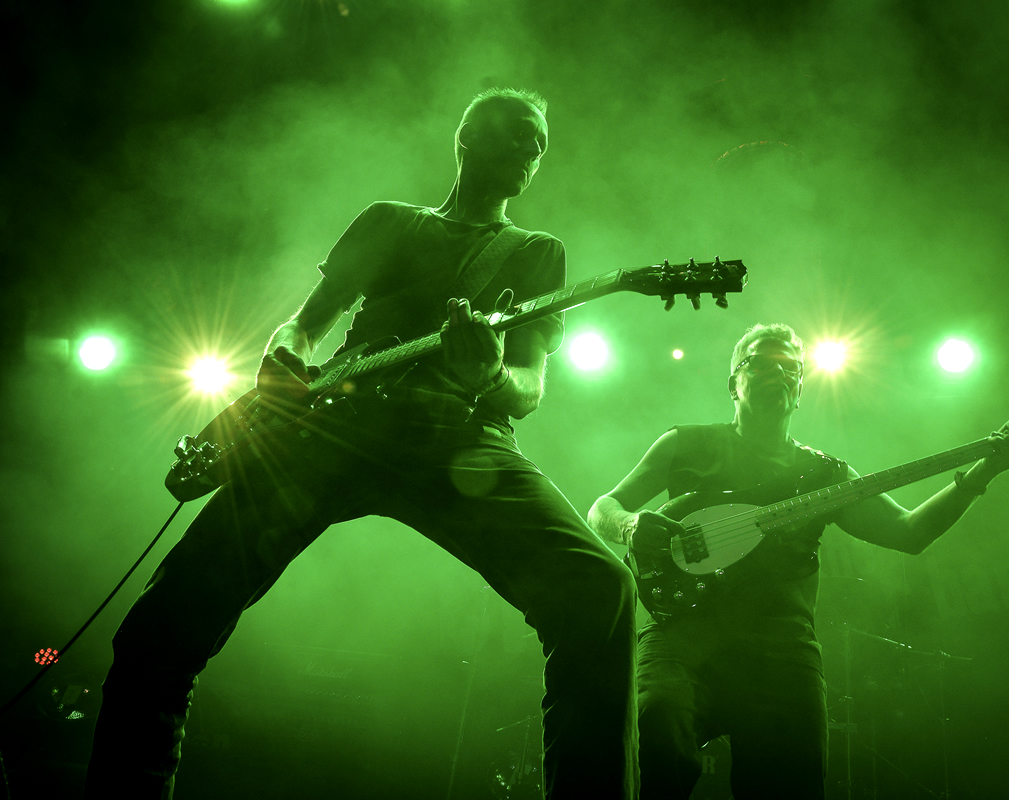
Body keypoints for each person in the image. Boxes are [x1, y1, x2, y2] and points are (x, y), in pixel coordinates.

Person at [85, 88, 638, 799]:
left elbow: (529, 388)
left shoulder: (536, 253)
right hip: (332, 428)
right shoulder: (390, 222)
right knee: (157, 630)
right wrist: (282, 359)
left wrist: (488, 372)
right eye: (519, 134)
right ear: (467, 136)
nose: (531, 151)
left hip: (454, 438)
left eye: (541, 144)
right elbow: (304, 326)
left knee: (602, 590)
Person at [588, 323, 1009, 798]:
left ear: (801, 389)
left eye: (790, 368)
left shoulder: (826, 474)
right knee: (656, 726)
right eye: (760, 364)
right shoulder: (685, 443)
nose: (778, 374)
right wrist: (629, 526)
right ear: (733, 384)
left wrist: (988, 467)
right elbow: (603, 507)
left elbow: (909, 533)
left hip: (781, 650)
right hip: (681, 635)